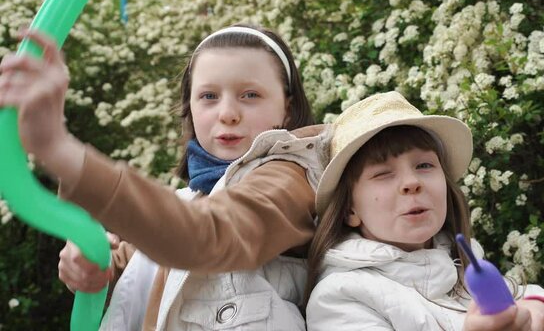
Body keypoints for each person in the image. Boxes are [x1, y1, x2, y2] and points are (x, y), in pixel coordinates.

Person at [0, 24, 329, 330]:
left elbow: (208, 234)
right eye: (209, 96)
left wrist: (59, 149)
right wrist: (90, 263)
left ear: (287, 107)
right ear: (190, 106)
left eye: (250, 95)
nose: (228, 113)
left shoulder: (291, 179)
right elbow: (133, 258)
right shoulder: (189, 199)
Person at [304, 91, 544, 330]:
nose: (411, 182)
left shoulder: (462, 265)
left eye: (424, 165)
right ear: (349, 210)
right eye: (383, 173)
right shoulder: (340, 298)